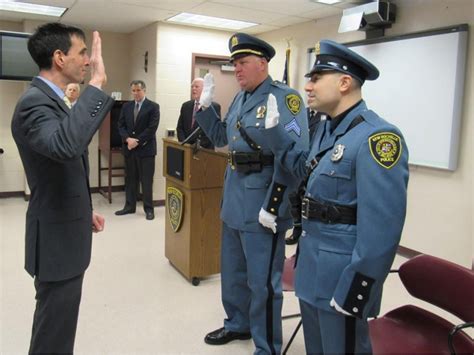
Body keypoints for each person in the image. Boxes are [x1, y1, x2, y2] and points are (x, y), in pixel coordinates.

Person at [262, 39, 409, 353]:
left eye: (316, 78)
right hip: (312, 266)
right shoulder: (326, 130)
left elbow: (382, 230)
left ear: (344, 83)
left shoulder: (377, 138)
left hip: (342, 276)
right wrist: (275, 133)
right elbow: (302, 171)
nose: (308, 86)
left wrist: (357, 290)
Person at [196, 33, 309, 355]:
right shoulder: (240, 99)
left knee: (262, 283)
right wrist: (204, 109)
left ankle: (267, 346)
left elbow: (294, 158)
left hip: (263, 203)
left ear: (263, 63)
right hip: (234, 199)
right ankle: (237, 324)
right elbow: (222, 138)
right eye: (234, 64)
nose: (237, 69)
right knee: (233, 273)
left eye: (242, 63)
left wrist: (274, 204)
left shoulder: (286, 100)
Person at [10, 22, 112, 354]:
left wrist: (85, 210)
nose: (88, 61)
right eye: (82, 53)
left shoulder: (51, 101)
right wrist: (96, 84)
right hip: (55, 242)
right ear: (58, 57)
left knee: (59, 329)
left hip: (65, 227)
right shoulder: (33, 103)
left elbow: (62, 167)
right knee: (53, 336)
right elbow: (65, 146)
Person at [115, 80, 160, 220]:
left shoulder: (153, 107)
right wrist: (127, 139)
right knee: (130, 179)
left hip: (146, 150)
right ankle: (129, 206)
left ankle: (148, 209)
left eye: (138, 90)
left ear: (144, 90)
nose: (135, 93)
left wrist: (137, 141)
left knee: (146, 181)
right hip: (129, 149)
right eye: (133, 91)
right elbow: (120, 125)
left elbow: (152, 128)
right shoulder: (126, 106)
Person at [285, 107, 324, 245]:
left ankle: (306, 231)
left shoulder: (325, 115)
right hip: (298, 160)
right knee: (294, 197)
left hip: (315, 161)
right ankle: (297, 228)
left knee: (307, 197)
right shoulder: (301, 112)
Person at [176, 77, 221, 148]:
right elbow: (180, 128)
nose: (193, 89)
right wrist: (184, 144)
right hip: (186, 149)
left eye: (196, 87)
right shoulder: (186, 106)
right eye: (192, 87)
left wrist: (197, 145)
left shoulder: (213, 107)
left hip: (204, 151)